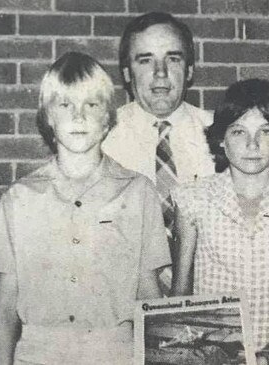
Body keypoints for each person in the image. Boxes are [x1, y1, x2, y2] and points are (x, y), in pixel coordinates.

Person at [0, 52, 170, 365]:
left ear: (108, 117)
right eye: (65, 104)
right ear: (47, 116)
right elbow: (4, 307)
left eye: (92, 104)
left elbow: (149, 297)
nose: (79, 116)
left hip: (117, 354)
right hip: (37, 355)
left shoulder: (138, 193)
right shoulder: (19, 199)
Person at [170, 79, 269, 365]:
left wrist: (268, 356)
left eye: (265, 131)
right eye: (239, 131)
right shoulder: (191, 199)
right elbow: (179, 296)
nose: (252, 144)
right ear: (220, 138)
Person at [102, 12, 215, 278]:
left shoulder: (222, 135)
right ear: (127, 73)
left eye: (173, 59)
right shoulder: (102, 138)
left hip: (206, 294)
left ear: (189, 71)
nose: (160, 73)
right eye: (146, 60)